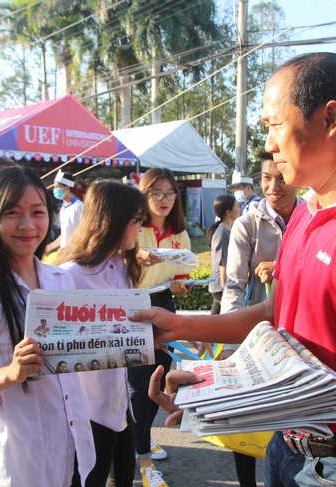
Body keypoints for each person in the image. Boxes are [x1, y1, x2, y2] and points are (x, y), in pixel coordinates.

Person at [135, 52, 336, 486]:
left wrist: (224, 403)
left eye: (274, 125)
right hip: (288, 443)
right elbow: (273, 315)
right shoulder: (307, 211)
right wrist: (179, 326)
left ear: (329, 118)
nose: (270, 145)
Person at [0, 166, 95, 486]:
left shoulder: (61, 280)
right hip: (24, 454)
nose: (27, 225)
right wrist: (8, 375)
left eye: (37, 212)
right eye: (12, 213)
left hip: (77, 440)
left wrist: (144, 337)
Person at [218, 153, 301, 487]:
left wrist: (279, 271)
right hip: (254, 336)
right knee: (247, 416)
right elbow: (234, 286)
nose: (273, 187)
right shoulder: (248, 223)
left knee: (291, 417)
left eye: (281, 178)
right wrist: (229, 341)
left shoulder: (312, 217)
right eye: (267, 178)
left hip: (297, 334)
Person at [56, 179, 146, 487]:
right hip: (87, 410)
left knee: (124, 477)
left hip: (120, 401)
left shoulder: (121, 266)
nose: (140, 228)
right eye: (136, 220)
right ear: (114, 220)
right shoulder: (69, 277)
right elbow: (54, 348)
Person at [131, 168, 193, 481]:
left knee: (160, 379)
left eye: (169, 193)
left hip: (164, 306)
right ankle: (143, 457)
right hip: (133, 308)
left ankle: (140, 437)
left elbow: (182, 277)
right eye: (156, 192)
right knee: (139, 385)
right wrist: (135, 256)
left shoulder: (179, 233)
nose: (163, 199)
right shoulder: (133, 227)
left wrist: (182, 286)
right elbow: (113, 259)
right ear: (144, 195)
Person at [208, 194, 240, 316]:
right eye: (236, 206)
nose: (239, 208)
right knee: (226, 318)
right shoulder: (223, 232)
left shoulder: (226, 230)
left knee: (214, 320)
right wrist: (226, 288)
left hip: (218, 285)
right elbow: (223, 262)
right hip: (220, 286)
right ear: (229, 212)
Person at [47, 171, 84, 252]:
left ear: (67, 188)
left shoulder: (79, 206)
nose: (54, 190)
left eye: (57, 187)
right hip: (65, 254)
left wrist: (69, 248)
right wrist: (48, 248)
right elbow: (64, 234)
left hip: (76, 253)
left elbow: (84, 232)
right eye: (54, 187)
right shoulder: (63, 208)